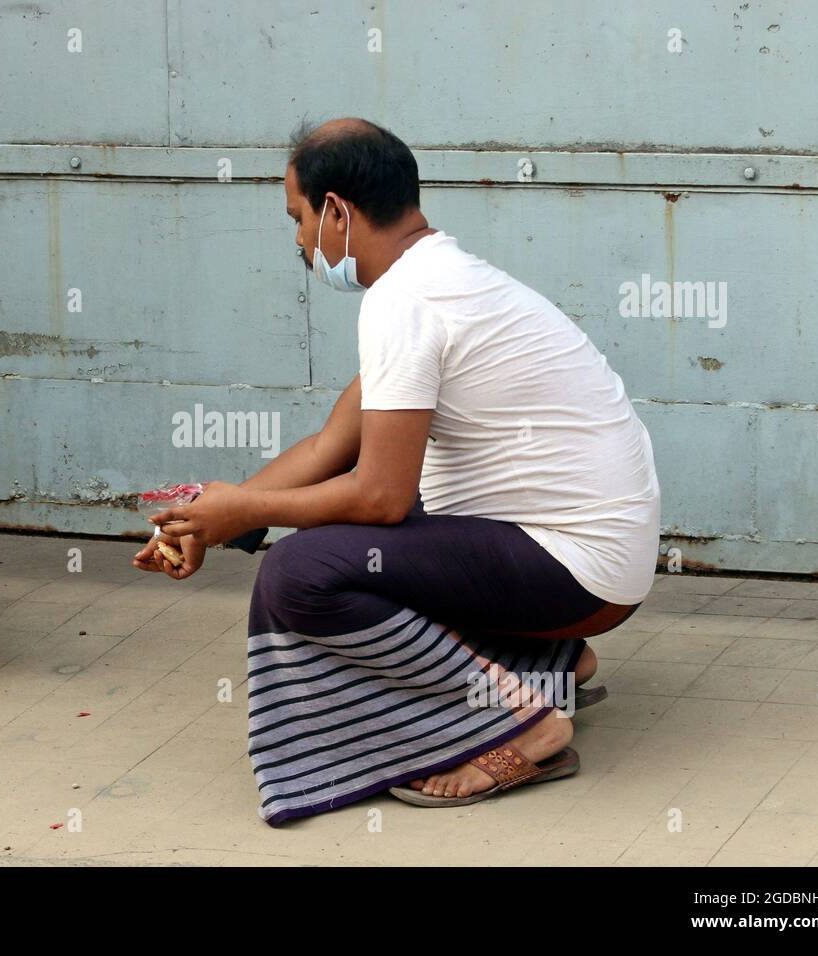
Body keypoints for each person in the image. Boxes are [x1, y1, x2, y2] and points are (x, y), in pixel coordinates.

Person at [133, 118, 660, 826]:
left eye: (299, 218)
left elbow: (380, 498)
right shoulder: (438, 277)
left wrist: (247, 515)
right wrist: (210, 517)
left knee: (302, 572)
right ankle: (556, 664)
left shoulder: (406, 300)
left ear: (339, 212)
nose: (298, 241)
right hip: (581, 560)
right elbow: (330, 449)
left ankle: (529, 726)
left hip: (573, 568)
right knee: (346, 546)